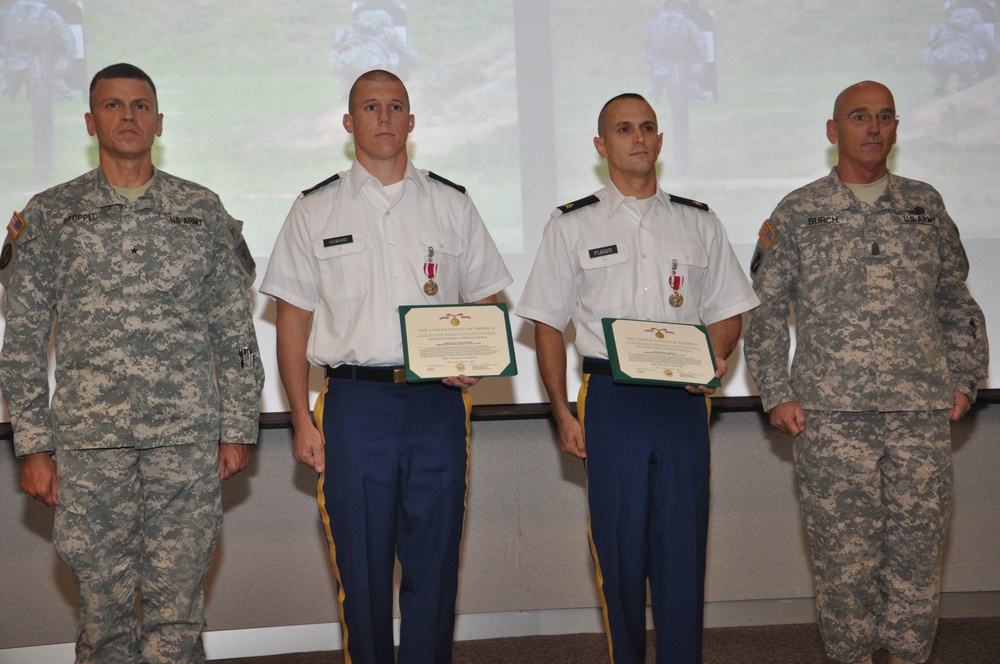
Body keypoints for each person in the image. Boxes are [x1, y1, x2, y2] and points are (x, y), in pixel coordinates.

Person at [0, 62, 264, 663]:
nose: (128, 116)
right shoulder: (50, 215)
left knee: (178, 615)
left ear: (159, 121)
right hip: (89, 453)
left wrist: (237, 427)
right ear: (91, 121)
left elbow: (236, 334)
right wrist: (34, 446)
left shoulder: (200, 210)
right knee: (103, 615)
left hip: (185, 446)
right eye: (114, 106)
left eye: (140, 106)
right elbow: (22, 343)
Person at [260, 69, 512, 664]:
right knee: (363, 570)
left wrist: (471, 355)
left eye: (395, 106)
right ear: (349, 124)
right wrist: (300, 417)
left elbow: (488, 298)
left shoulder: (452, 203)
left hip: (436, 404)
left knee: (435, 562)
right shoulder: (314, 209)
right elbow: (292, 320)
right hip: (355, 405)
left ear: (412, 121)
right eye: (370, 107)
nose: (383, 117)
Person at [743, 81, 989, 664]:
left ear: (897, 128)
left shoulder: (925, 206)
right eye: (859, 116)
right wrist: (776, 391)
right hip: (830, 420)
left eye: (884, 116)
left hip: (919, 416)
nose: (873, 127)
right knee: (842, 562)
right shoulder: (798, 211)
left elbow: (957, 302)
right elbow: (766, 309)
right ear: (834, 131)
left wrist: (965, 379)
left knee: (917, 560)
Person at [515, 93, 759, 664]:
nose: (638, 138)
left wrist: (716, 355)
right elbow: (547, 324)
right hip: (612, 399)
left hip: (682, 401)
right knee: (619, 553)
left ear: (661, 140)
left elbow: (729, 310)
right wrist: (560, 411)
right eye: (623, 129)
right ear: (602, 147)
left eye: (648, 127)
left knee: (682, 549)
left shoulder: (699, 222)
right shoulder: (571, 224)